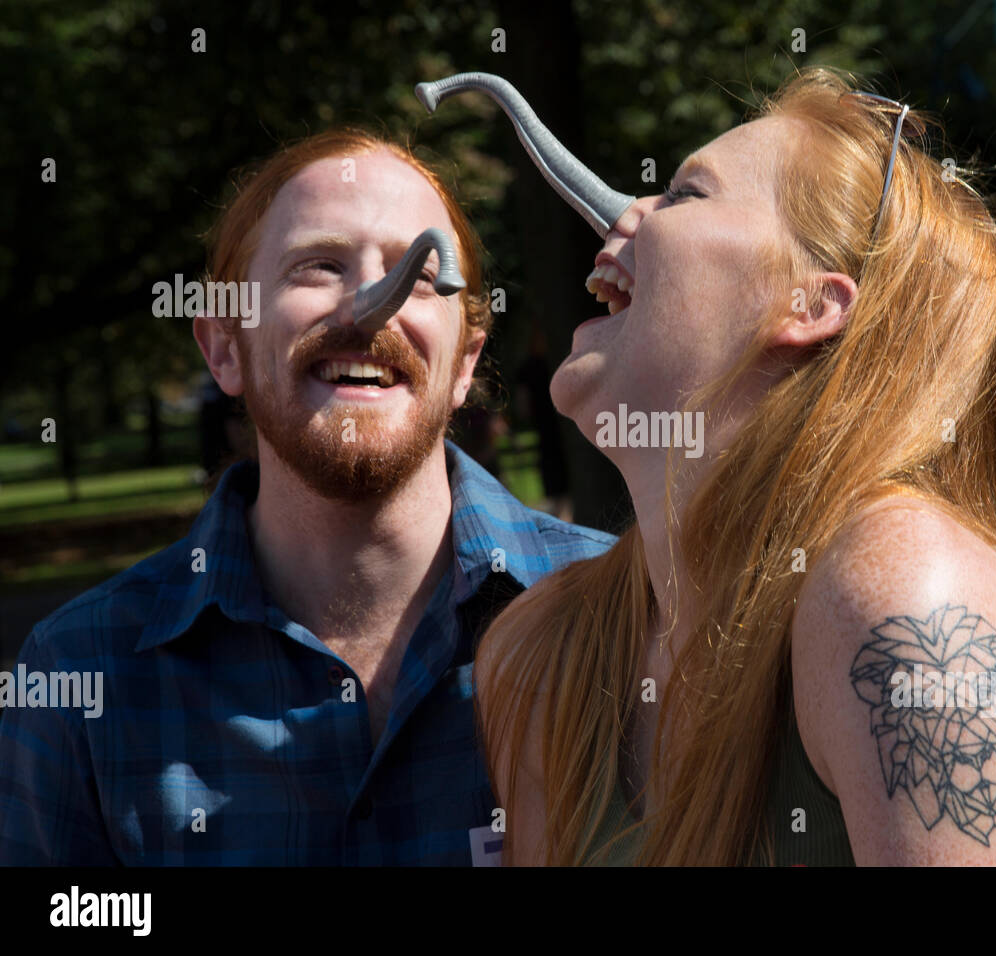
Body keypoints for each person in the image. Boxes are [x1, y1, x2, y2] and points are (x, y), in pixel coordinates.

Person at [474, 68, 996, 865]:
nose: (626, 210)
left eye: (686, 194)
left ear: (811, 304)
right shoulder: (543, 653)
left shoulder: (902, 604)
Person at [0, 129, 614, 865]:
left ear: (465, 363)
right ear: (224, 348)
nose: (370, 306)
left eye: (419, 276)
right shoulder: (78, 675)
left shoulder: (628, 614)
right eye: (319, 266)